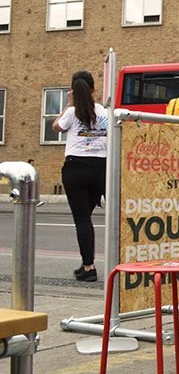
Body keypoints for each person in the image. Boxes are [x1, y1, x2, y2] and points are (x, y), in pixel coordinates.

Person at [52, 70, 108, 282]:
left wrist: (68, 104)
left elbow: (56, 126)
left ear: (73, 91)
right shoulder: (103, 112)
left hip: (76, 168)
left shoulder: (71, 111)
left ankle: (89, 266)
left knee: (82, 219)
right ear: (93, 88)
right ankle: (89, 266)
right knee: (87, 217)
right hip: (100, 168)